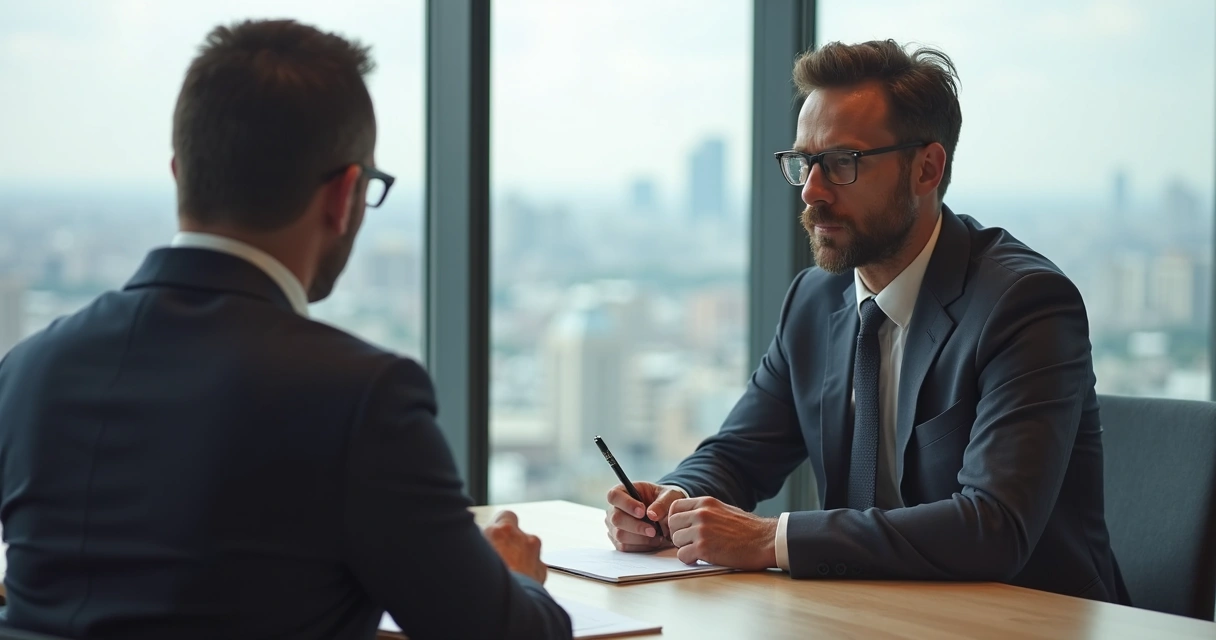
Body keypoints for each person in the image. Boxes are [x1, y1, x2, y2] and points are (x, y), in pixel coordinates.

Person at [0, 19, 571, 640]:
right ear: (346, 195)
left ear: (179, 172)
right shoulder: (360, 397)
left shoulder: (30, 368)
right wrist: (514, 576)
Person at [604, 39, 1128, 604]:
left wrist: (770, 538)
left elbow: (993, 526)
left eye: (842, 163)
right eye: (805, 162)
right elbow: (737, 454)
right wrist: (669, 502)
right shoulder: (814, 299)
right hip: (869, 613)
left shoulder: (1024, 304)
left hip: (1028, 619)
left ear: (926, 168)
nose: (812, 191)